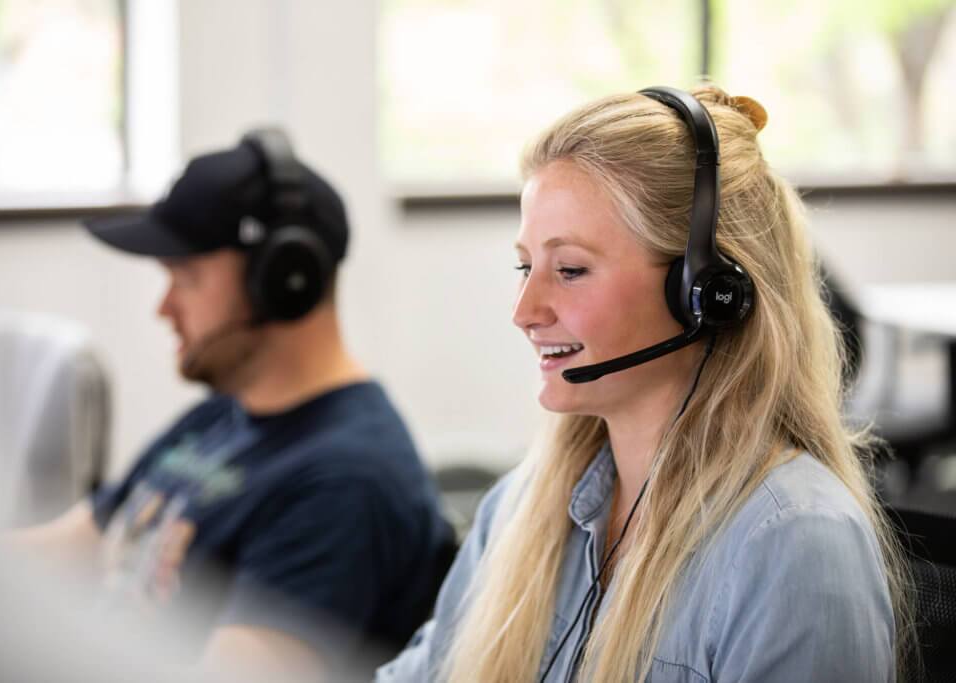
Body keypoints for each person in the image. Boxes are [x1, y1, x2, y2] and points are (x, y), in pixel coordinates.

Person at [376, 86, 910, 682]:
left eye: (570, 269)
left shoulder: (793, 546)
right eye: (527, 267)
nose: (524, 311)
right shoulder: (522, 508)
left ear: (704, 295)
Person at [10, 129, 455, 682]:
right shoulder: (225, 414)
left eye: (187, 277)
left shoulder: (346, 482)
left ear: (284, 278)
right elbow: (73, 546)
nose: (164, 307)